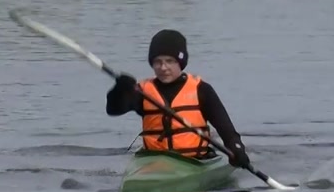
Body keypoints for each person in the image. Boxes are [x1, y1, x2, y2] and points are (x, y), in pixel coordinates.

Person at [105, 29, 252, 169]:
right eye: (158, 62)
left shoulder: (201, 90)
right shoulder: (142, 91)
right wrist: (119, 90)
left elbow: (226, 129)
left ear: (180, 62)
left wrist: (237, 149)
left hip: (194, 161)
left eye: (170, 61)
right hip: (153, 161)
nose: (163, 67)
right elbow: (113, 109)